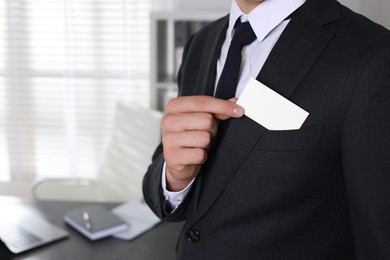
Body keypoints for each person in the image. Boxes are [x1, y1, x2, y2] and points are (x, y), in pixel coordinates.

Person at [143, 0, 390, 259]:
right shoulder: (200, 42)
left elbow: (379, 238)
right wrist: (176, 177)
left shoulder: (374, 56)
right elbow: (172, 202)